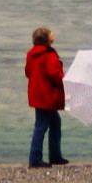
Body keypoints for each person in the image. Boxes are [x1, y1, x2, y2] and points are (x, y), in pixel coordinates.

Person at [25, 26, 69, 168]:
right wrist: (67, 81)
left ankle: (55, 155)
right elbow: (55, 74)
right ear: (47, 39)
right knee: (41, 126)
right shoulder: (49, 54)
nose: (53, 33)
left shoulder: (31, 54)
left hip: (37, 94)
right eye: (50, 32)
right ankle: (35, 158)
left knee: (54, 123)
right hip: (47, 95)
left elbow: (28, 72)